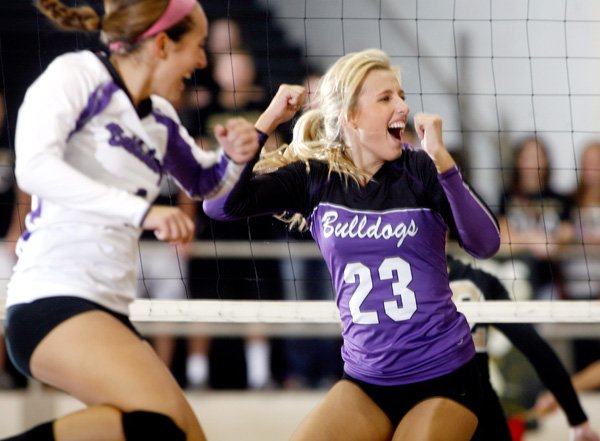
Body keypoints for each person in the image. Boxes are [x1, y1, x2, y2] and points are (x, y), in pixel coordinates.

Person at [0, 0, 293, 439]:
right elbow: (34, 168)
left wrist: (242, 148)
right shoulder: (78, 74)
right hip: (52, 297)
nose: (200, 61)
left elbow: (205, 182)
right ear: (160, 45)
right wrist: (143, 211)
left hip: (108, 307)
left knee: (175, 433)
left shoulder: (159, 119)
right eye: (195, 47)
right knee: (168, 428)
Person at [204, 48, 501, 441]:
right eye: (385, 98)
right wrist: (269, 120)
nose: (403, 107)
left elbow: (485, 243)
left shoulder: (420, 169)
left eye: (402, 95)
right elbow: (220, 205)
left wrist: (444, 162)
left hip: (443, 375)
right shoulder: (316, 177)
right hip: (366, 381)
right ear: (351, 115)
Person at [447, 255, 599, 441]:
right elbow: (536, 348)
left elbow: (534, 347)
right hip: (481, 410)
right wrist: (577, 418)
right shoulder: (479, 280)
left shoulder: (410, 285)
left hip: (428, 405)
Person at [498, 136, 574, 301]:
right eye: (528, 156)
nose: (533, 163)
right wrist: (534, 241)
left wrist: (551, 242)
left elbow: (566, 234)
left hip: (551, 279)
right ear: (518, 160)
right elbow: (503, 239)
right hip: (516, 278)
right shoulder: (507, 196)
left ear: (546, 161)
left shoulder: (561, 199)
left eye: (538, 156)